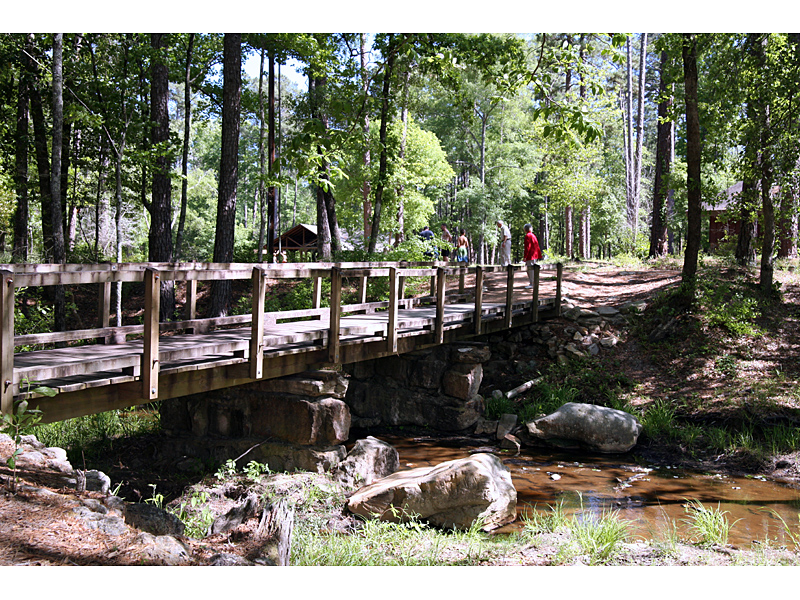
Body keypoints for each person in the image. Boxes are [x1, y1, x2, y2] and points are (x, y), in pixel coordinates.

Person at [523, 223, 543, 289]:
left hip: (530, 255)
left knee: (530, 269)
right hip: (534, 255)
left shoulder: (528, 236)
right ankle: (534, 282)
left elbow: (527, 247)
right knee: (533, 269)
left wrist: (525, 256)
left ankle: (532, 283)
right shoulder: (533, 235)